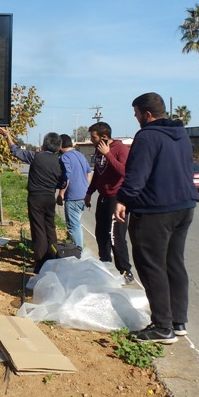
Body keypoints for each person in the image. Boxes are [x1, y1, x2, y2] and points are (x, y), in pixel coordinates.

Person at [115, 92, 199, 344]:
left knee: (151, 266)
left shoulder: (147, 136)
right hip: (184, 207)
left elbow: (137, 173)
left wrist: (123, 200)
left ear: (147, 115)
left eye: (136, 114)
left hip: (154, 210)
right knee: (174, 263)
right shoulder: (181, 134)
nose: (136, 118)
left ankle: (162, 327)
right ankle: (178, 321)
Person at [0, 128, 66, 273]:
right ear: (58, 147)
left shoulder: (36, 156)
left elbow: (15, 150)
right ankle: (54, 258)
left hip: (36, 197)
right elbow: (63, 182)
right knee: (50, 228)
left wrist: (7, 136)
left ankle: (40, 263)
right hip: (49, 197)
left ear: (44, 144)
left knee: (38, 229)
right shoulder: (60, 162)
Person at [84, 121, 135, 284]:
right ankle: (105, 264)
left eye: (94, 137)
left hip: (117, 198)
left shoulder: (120, 149)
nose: (92, 141)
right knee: (101, 233)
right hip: (103, 197)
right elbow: (98, 174)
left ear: (104, 137)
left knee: (115, 236)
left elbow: (124, 172)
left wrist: (108, 154)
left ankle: (125, 270)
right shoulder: (99, 150)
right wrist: (89, 192)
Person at [57, 134, 92, 250]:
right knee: (77, 224)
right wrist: (87, 190)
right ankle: (78, 248)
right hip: (82, 196)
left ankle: (78, 252)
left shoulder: (65, 157)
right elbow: (89, 172)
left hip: (73, 197)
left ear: (60, 145)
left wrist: (61, 194)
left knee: (73, 226)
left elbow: (67, 176)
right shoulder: (80, 155)